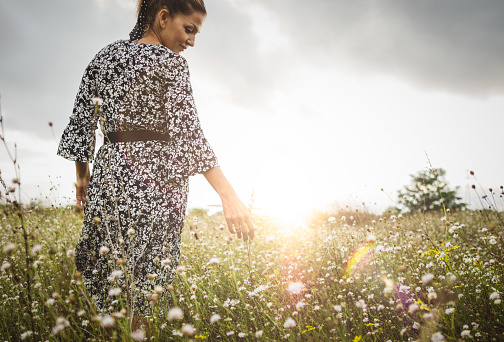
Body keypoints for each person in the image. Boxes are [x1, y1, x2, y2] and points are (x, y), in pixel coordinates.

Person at [57, 0, 254, 327]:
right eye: (189, 29)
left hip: (108, 177)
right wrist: (228, 195)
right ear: (163, 17)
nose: (192, 41)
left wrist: (83, 178)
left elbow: (81, 122)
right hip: (159, 183)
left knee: (107, 286)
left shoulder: (104, 57)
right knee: (147, 289)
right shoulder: (170, 63)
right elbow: (190, 134)